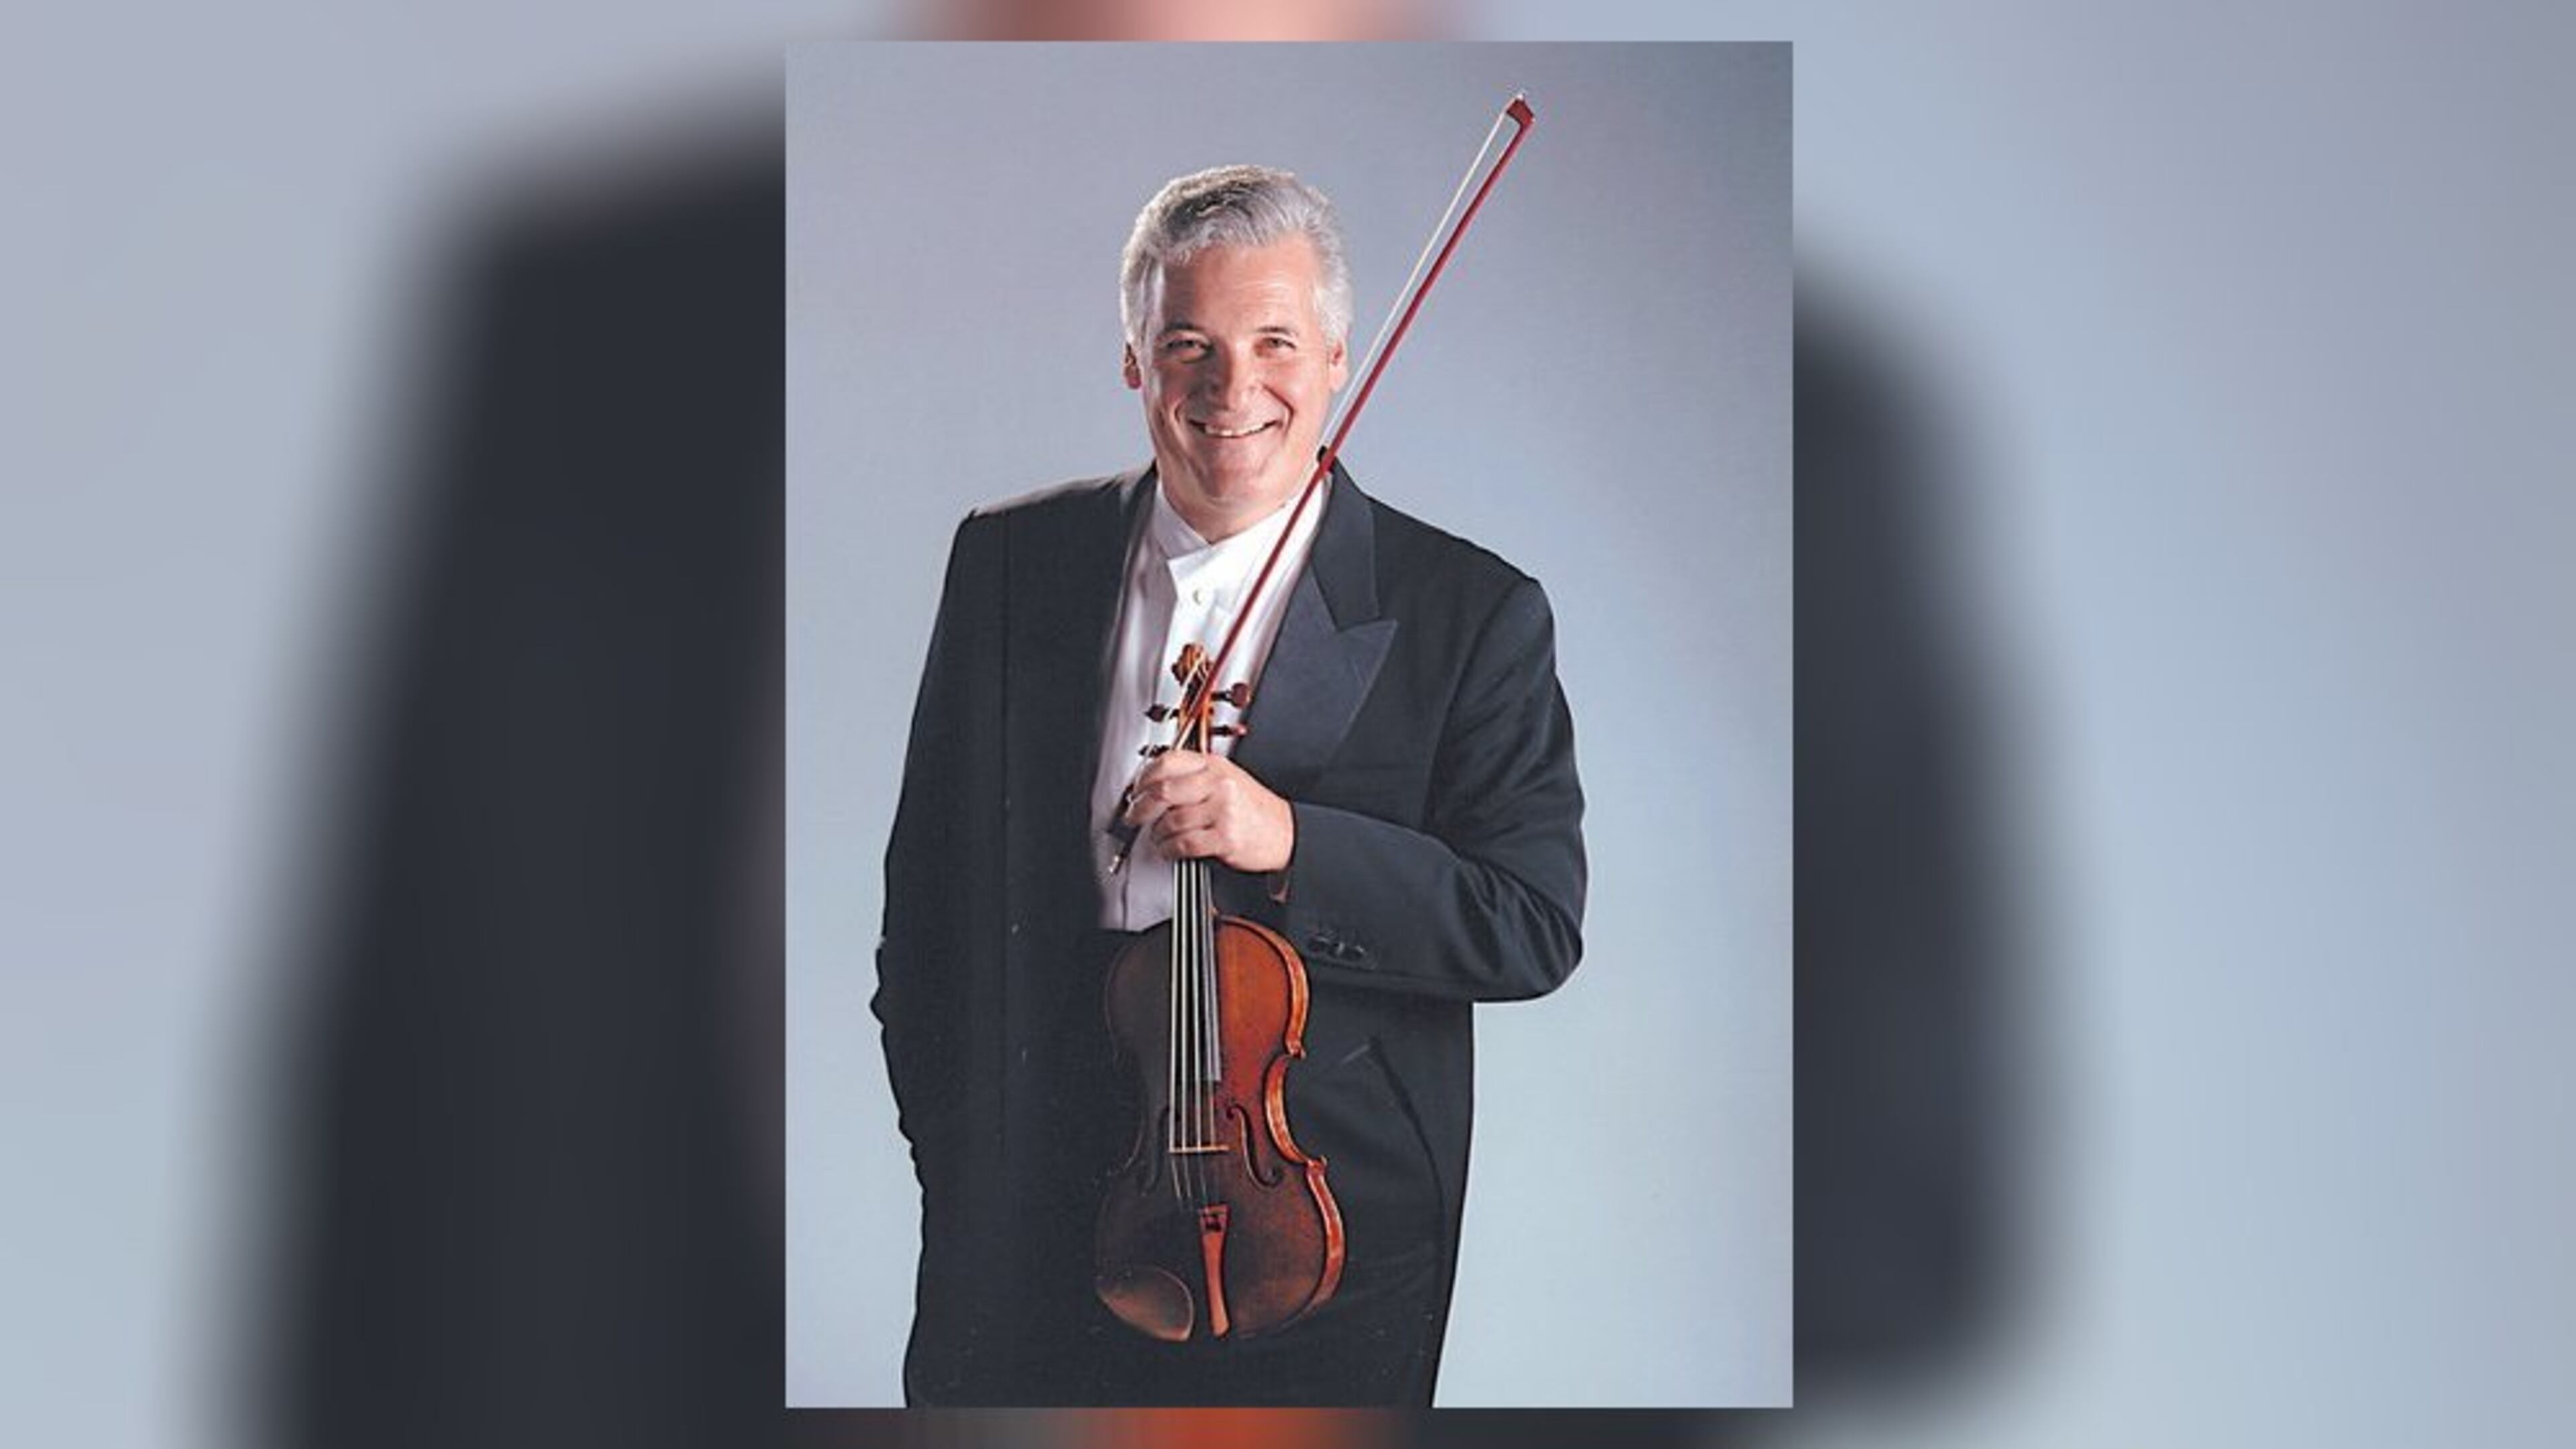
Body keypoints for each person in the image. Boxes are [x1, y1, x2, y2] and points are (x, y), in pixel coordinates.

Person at [873, 164, 1585, 1407]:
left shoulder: (1471, 612)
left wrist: (1289, 838)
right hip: (1024, 1199)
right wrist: (955, 1151)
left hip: (1311, 1227)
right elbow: (921, 901)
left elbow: (1530, 922)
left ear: (1339, 360)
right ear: (1134, 363)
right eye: (1189, 345)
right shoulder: (1008, 562)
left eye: (1274, 342)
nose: (1233, 389)